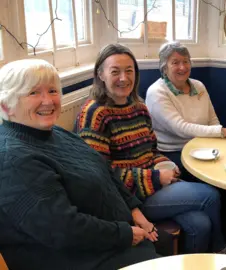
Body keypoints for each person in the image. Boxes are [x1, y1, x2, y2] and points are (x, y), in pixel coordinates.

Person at [75, 44, 226, 255]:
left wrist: (164, 164)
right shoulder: (94, 113)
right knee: (209, 195)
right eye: (115, 72)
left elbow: (151, 150)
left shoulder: (139, 107)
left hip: (152, 186)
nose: (124, 78)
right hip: (127, 197)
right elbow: (99, 175)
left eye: (129, 71)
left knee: (200, 224)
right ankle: (221, 251)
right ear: (101, 75)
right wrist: (154, 177)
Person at [0, 59, 160, 269]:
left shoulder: (54, 133)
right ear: (6, 105)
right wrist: (125, 233)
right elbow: (61, 229)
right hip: (72, 258)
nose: (48, 101)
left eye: (52, 91)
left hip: (107, 240)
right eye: (33, 93)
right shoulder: (13, 160)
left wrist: (134, 211)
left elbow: (105, 171)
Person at [145, 41, 226, 170]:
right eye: (175, 62)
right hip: (174, 152)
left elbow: (212, 120)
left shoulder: (199, 86)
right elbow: (180, 128)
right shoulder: (156, 92)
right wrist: (223, 132)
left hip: (204, 147)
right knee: (218, 173)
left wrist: (220, 145)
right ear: (164, 68)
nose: (182, 67)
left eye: (185, 61)